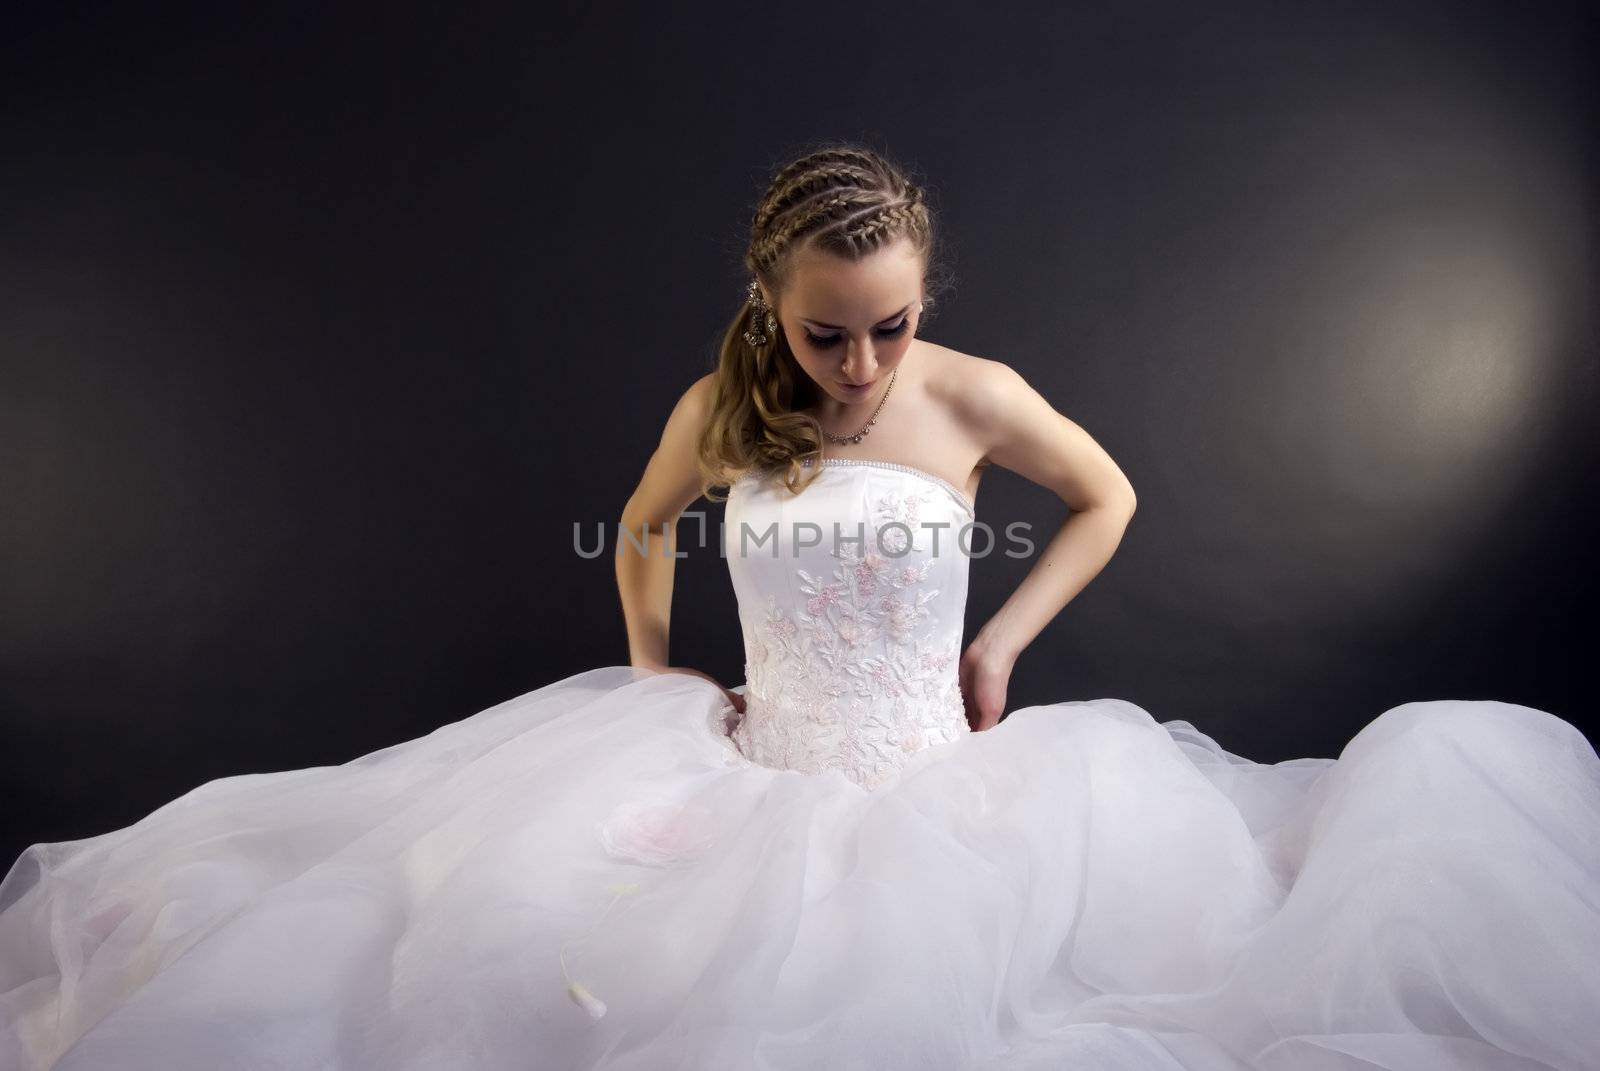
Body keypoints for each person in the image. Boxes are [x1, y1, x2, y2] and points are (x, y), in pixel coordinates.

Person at [1, 145, 1597, 1071]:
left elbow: (1109, 497)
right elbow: (635, 536)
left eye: (889, 329)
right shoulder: (721, 403)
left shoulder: (975, 399)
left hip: (947, 798)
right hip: (751, 780)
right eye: (829, 336)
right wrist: (649, 685)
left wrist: (1000, 640)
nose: (862, 368)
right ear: (773, 302)